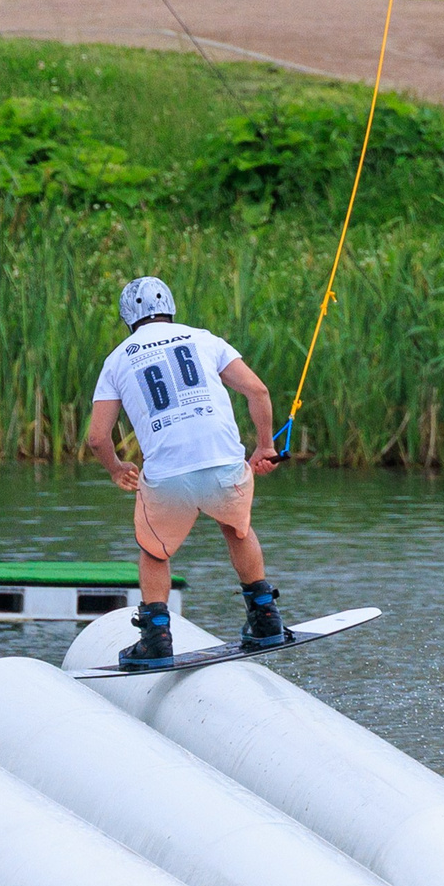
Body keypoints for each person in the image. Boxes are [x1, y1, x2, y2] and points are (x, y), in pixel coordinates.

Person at [86, 275, 283, 671]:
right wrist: (265, 446)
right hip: (224, 463)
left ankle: (156, 638)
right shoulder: (205, 339)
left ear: (128, 319)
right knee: (237, 529)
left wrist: (116, 468)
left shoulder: (118, 358)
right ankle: (265, 619)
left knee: (154, 551)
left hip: (168, 474)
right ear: (171, 308)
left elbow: (96, 437)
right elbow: (257, 392)